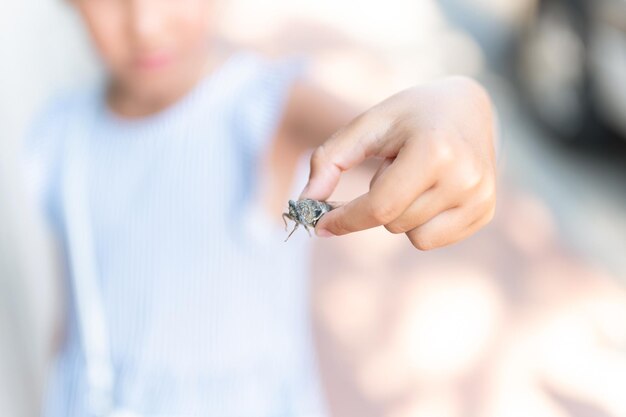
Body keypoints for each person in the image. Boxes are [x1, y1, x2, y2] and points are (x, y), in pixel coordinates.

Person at [22, 0, 496, 416]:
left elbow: (393, 127)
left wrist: (461, 106)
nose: (144, 23)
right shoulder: (59, 137)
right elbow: (80, 305)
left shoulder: (265, 105)